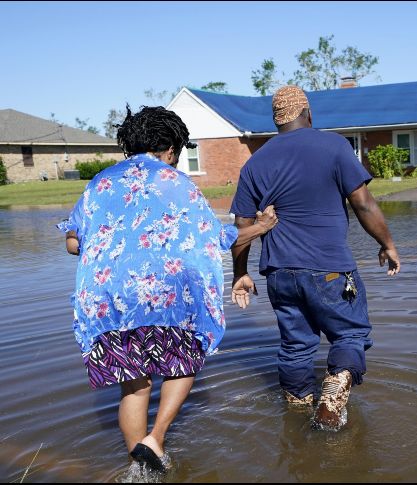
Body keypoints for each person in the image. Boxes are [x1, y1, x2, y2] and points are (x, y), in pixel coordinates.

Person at [56, 106, 277, 472]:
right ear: (171, 148)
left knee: (133, 385)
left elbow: (73, 243)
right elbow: (216, 237)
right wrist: (262, 226)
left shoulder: (100, 183)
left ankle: (138, 469)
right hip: (169, 298)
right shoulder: (177, 184)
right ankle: (156, 438)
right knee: (183, 362)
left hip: (112, 302)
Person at [229, 85, 400, 430]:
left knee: (295, 345)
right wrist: (388, 244)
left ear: (276, 121)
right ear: (308, 113)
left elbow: (242, 226)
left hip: (278, 273)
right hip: (329, 268)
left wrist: (240, 273)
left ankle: (297, 407)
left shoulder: (254, 163)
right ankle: (335, 387)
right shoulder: (334, 146)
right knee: (350, 334)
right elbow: (363, 202)